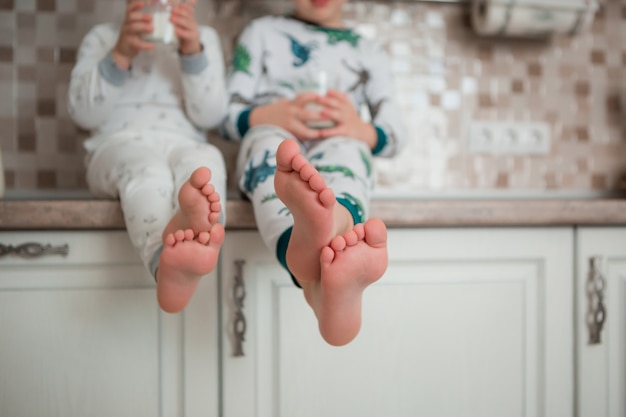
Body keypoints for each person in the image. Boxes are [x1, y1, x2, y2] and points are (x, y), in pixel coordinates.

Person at [221, 0, 407, 346]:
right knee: (272, 152)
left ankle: (333, 226)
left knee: (351, 151)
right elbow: (224, 115)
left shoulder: (368, 51)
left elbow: (395, 133)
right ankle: (322, 262)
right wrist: (266, 115)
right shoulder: (261, 33)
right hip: (276, 137)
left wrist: (360, 128)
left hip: (338, 140)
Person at [68, 0, 228, 313]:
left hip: (182, 142)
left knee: (206, 160)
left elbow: (211, 116)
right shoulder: (102, 38)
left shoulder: (204, 39)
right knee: (147, 170)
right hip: (117, 147)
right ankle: (163, 259)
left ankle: (199, 232)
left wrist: (193, 52)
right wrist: (121, 53)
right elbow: (84, 114)